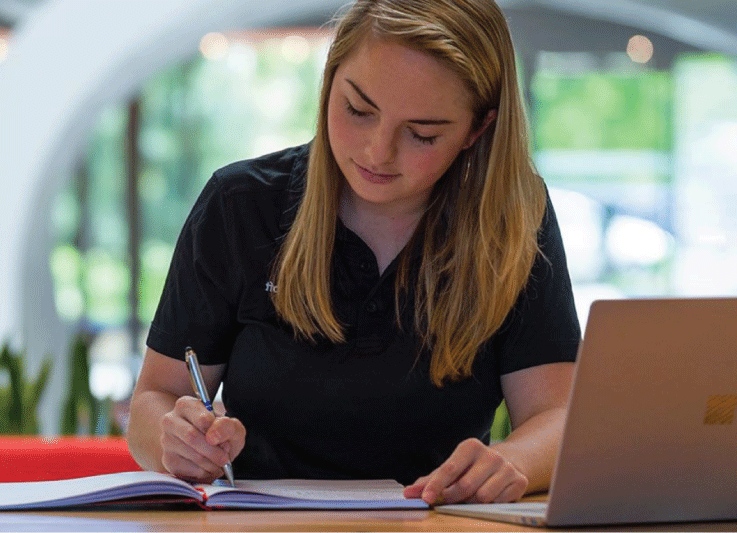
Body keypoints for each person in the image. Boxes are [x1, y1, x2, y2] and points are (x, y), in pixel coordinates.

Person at [127, 0, 581, 505]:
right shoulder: (241, 206)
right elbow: (155, 398)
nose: (376, 152)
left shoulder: (512, 221)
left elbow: (555, 416)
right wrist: (177, 439)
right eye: (358, 110)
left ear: (478, 131)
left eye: (422, 134)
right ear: (329, 81)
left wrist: (514, 461)